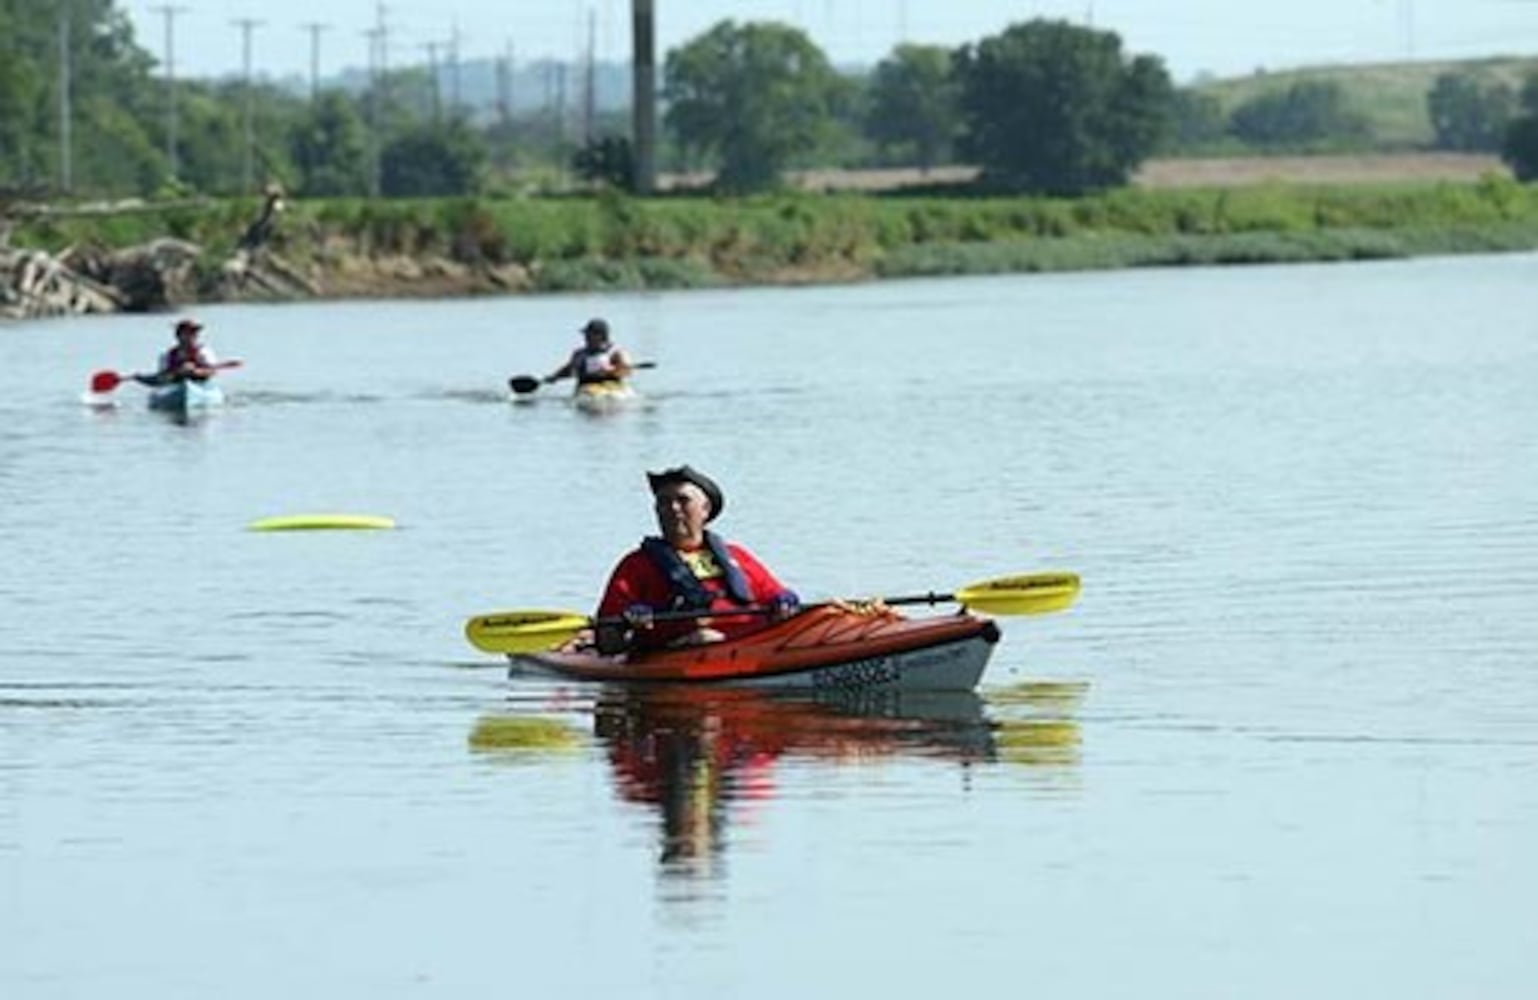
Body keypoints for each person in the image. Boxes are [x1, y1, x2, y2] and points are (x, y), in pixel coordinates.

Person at [594, 466, 799, 655]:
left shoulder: (737, 556)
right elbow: (606, 638)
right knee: (704, 638)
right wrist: (628, 620)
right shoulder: (636, 565)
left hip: (750, 645)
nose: (673, 509)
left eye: (683, 501)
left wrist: (785, 600)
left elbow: (776, 594)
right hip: (677, 652)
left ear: (705, 509)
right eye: (664, 502)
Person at [545, 318, 633, 387]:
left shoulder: (616, 353)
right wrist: (554, 377)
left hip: (613, 386)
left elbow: (627, 370)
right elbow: (569, 369)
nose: (586, 337)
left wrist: (611, 370)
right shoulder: (579, 354)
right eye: (586, 334)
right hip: (587, 388)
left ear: (601, 336)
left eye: (589, 334)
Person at [143, 318, 219, 385]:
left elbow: (212, 371)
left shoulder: (204, 352)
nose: (192, 335)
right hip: (174, 384)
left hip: (200, 383)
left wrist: (195, 371)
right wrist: (179, 372)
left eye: (194, 333)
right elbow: (162, 377)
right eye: (188, 333)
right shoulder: (166, 355)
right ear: (178, 335)